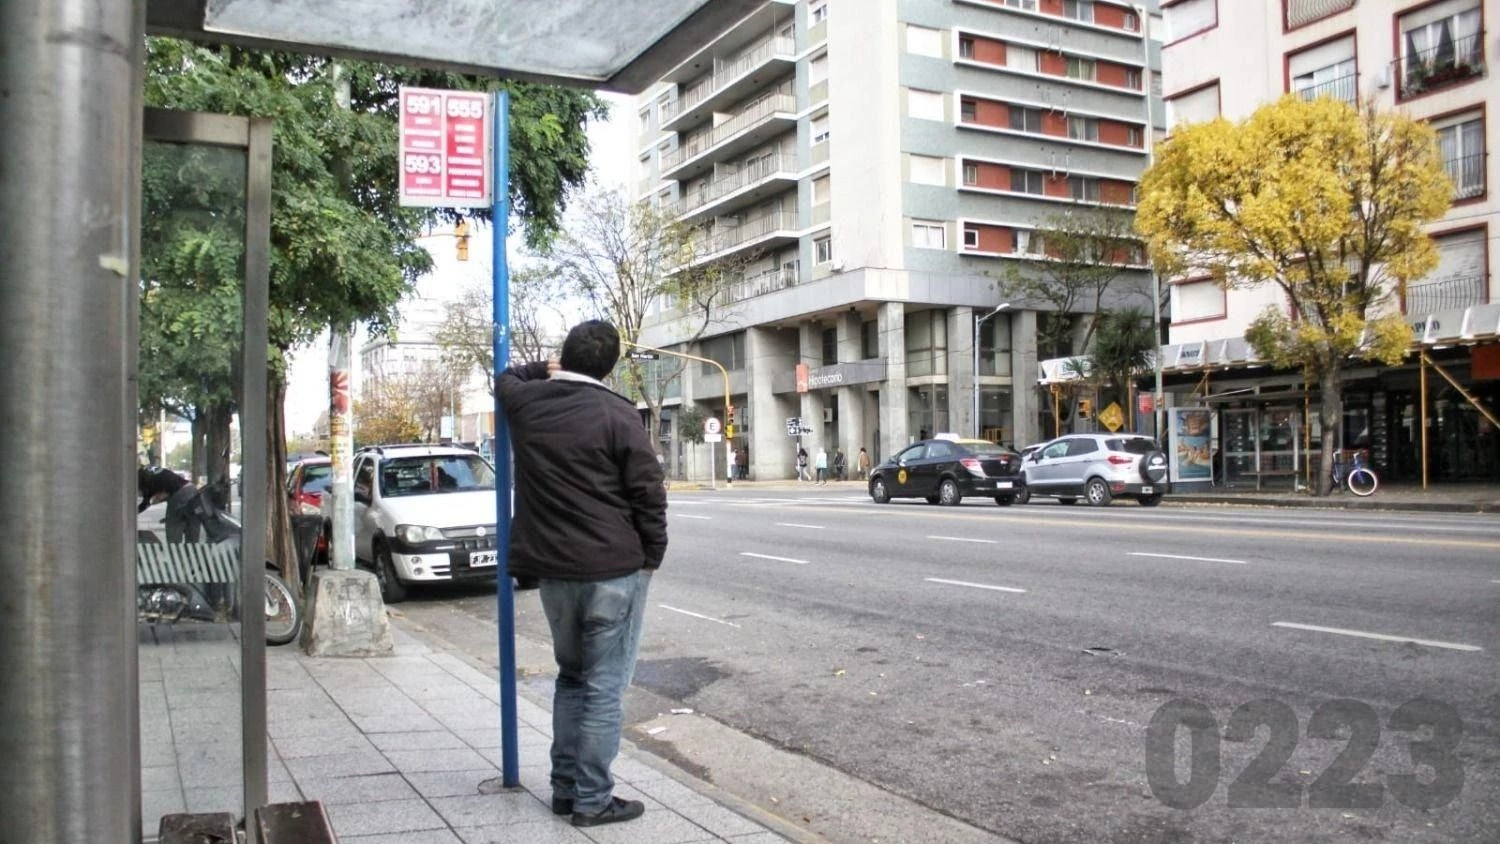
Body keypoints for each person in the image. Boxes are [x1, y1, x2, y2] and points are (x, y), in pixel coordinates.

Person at [497, 320, 667, 829]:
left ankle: (565, 789)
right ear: (609, 366)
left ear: (562, 358)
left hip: (553, 572)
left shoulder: (526, 403)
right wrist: (651, 555)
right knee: (604, 687)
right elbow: (648, 493)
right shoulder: (618, 414)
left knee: (571, 678)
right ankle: (594, 799)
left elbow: (504, 377)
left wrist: (538, 370)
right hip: (613, 569)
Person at [138, 465, 203, 543]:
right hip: (192, 490)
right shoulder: (149, 470)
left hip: (178, 494)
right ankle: (193, 550)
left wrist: (134, 512)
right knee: (192, 524)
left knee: (174, 526)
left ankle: (174, 550)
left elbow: (147, 503)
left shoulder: (142, 480)